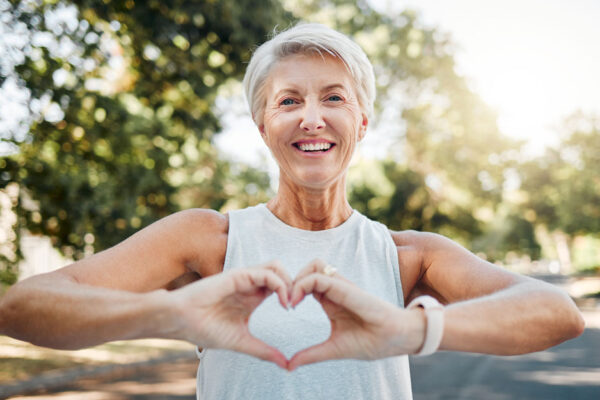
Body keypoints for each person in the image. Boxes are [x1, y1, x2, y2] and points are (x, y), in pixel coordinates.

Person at [0, 23, 584, 399]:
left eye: (334, 97)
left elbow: (556, 313)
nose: (311, 117)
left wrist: (409, 327)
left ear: (360, 122)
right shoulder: (208, 239)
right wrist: (171, 314)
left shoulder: (409, 256)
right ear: (262, 127)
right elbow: (21, 308)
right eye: (288, 101)